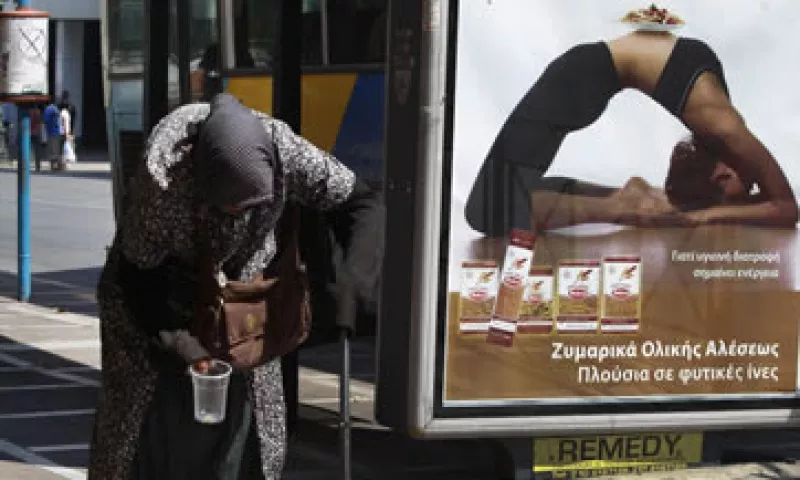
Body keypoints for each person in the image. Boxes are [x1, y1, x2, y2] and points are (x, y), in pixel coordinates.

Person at [87, 93, 384, 479]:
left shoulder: (285, 151)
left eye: (252, 205)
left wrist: (352, 283)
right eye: (231, 208)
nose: (241, 216)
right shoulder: (164, 172)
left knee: (251, 439)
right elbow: (138, 274)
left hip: (244, 313)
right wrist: (187, 345)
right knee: (144, 435)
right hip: (154, 300)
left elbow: (364, 203)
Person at [465, 31, 799, 236]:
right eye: (728, 180)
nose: (721, 173)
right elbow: (786, 209)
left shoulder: (718, 122)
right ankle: (625, 205)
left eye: (718, 184)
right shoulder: (726, 128)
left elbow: (775, 208)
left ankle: (623, 198)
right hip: (581, 74)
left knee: (506, 199)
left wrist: (705, 212)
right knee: (486, 211)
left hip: (587, 71)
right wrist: (703, 217)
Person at [42, 101, 62, 170]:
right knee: (56, 149)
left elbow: (45, 120)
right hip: (57, 131)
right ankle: (58, 165)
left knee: (51, 149)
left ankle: (53, 166)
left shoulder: (48, 109)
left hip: (50, 131)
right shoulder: (56, 109)